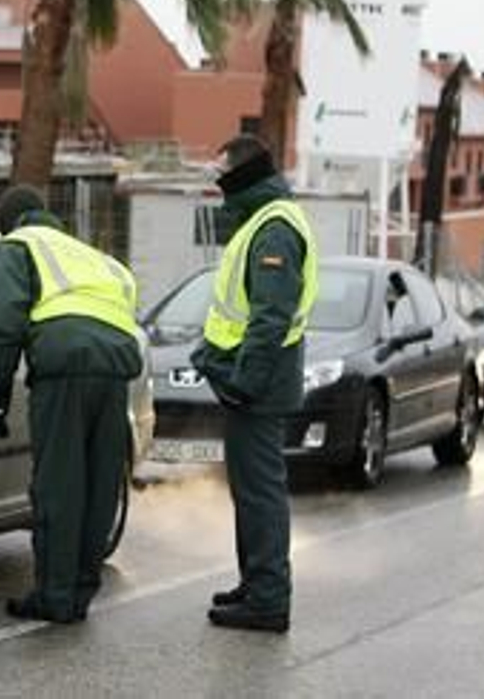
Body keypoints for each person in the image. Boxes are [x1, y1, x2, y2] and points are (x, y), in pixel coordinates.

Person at [0, 184, 143, 624]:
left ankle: (54, 596)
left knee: (59, 484)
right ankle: (79, 594)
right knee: (97, 485)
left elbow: (5, 322)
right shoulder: (88, 255)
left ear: (8, 222)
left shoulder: (16, 247)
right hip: (115, 372)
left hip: (64, 369)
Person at [190, 135, 318, 633]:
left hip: (259, 387)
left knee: (261, 493)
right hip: (253, 382)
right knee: (250, 491)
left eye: (221, 173)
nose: (216, 183)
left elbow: (270, 317)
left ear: (242, 176)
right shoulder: (262, 220)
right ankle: (256, 584)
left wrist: (244, 382)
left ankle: (267, 599)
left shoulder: (275, 230)